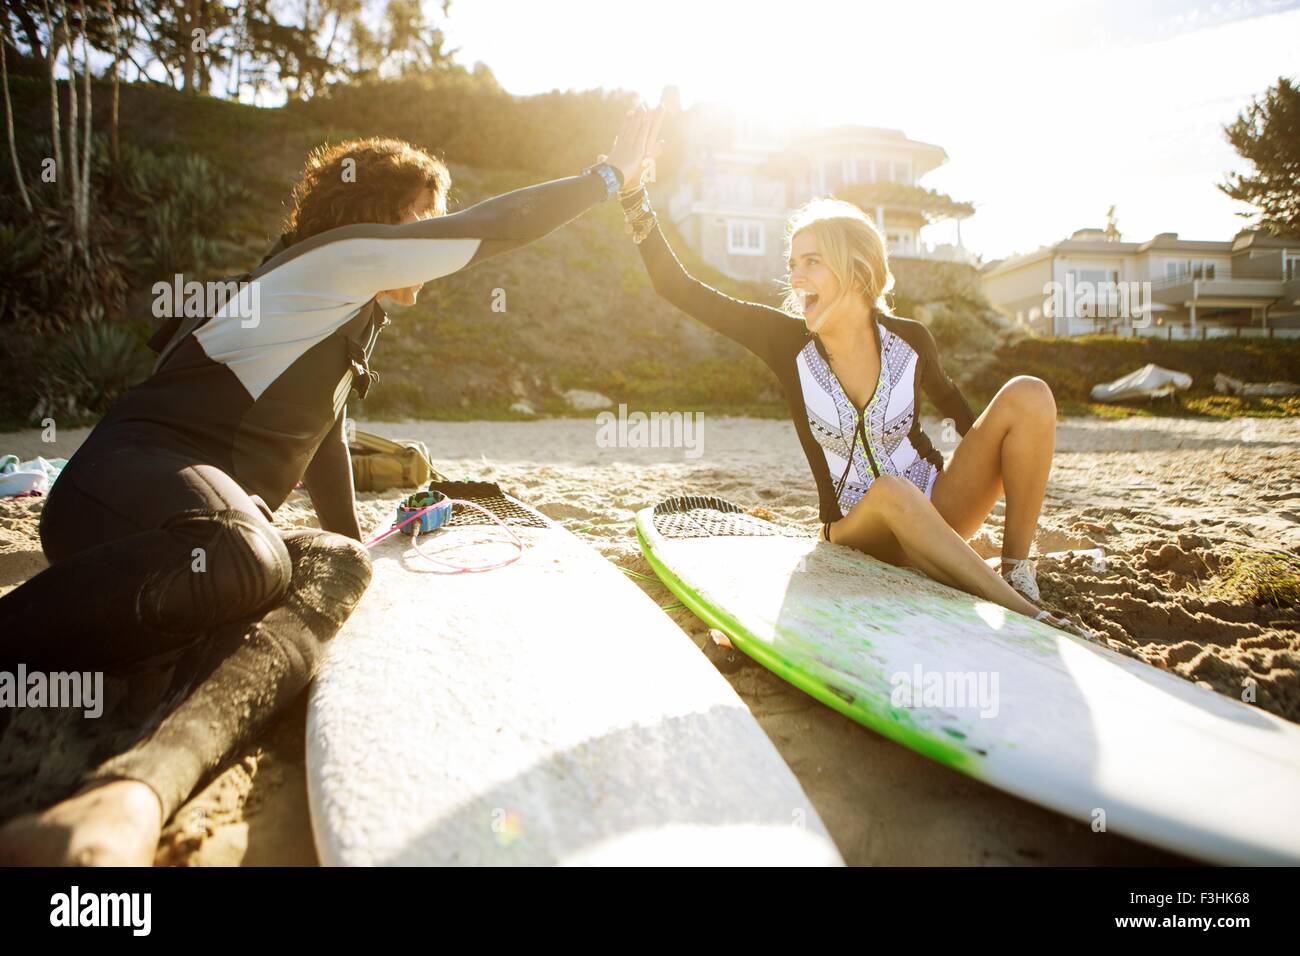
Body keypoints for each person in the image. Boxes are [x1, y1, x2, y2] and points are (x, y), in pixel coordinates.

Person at [0, 108, 660, 865]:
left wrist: (352, 540)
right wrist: (606, 179)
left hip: (194, 532)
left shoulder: (343, 311)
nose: (434, 233)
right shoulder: (330, 259)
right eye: (423, 217)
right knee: (249, 555)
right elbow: (493, 226)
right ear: (380, 222)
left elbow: (325, 436)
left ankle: (129, 794)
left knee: (334, 568)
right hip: (120, 485)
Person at [619, 108, 1090, 637]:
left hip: (935, 512)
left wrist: (995, 460)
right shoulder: (785, 344)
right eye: (793, 263)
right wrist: (634, 197)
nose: (796, 275)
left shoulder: (910, 340)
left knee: (1028, 394)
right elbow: (679, 289)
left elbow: (962, 416)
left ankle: (1018, 572)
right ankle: (1026, 615)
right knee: (890, 491)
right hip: (857, 532)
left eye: (812, 262)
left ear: (857, 271)